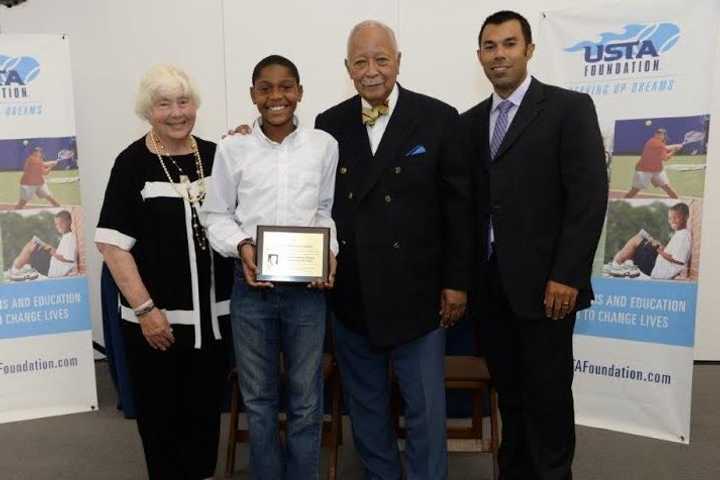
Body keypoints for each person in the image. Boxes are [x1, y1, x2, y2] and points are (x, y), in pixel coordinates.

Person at [314, 20, 472, 480]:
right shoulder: (329, 124)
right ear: (347, 67)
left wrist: (457, 283)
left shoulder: (439, 118)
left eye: (381, 59)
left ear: (399, 61)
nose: (371, 71)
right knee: (366, 407)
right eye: (360, 61)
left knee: (424, 408)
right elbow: (316, 201)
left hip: (420, 294)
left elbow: (460, 211)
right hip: (353, 293)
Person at [460, 11, 608, 480]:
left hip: (549, 290)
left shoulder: (569, 108)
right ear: (479, 55)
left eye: (508, 44)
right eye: (489, 46)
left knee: (547, 398)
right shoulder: (469, 123)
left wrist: (567, 274)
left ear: (528, 50)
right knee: (512, 396)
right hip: (492, 289)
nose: (498, 54)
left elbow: (588, 199)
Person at [200, 55, 339, 480]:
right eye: (265, 88)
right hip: (252, 291)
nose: (276, 97)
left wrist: (329, 251)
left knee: (305, 400)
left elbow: (324, 212)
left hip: (306, 293)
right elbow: (215, 214)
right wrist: (241, 244)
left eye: (285, 87)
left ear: (299, 92)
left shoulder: (323, 146)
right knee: (259, 401)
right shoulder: (232, 148)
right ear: (252, 95)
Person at [94, 64, 233, 480]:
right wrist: (145, 309)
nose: (176, 112)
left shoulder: (214, 155)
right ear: (148, 111)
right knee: (161, 418)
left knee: (206, 412)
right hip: (155, 323)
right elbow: (112, 244)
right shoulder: (132, 163)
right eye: (164, 104)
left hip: (213, 321)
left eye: (184, 101)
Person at [610, 202, 691, 280]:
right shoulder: (681, 234)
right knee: (640, 242)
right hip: (659, 265)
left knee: (636, 239)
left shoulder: (684, 236)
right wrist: (662, 248)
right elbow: (673, 256)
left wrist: (657, 249)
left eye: (676, 218)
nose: (672, 221)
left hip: (657, 269)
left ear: (686, 217)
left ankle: (615, 266)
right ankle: (619, 266)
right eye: (670, 218)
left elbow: (679, 261)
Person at [9, 209, 76, 281]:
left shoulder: (70, 237)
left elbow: (69, 260)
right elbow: (63, 256)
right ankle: (20, 270)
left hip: (52, 269)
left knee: (30, 246)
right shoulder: (66, 236)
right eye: (56, 224)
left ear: (69, 221)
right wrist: (48, 248)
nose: (58, 226)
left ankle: (15, 271)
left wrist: (51, 250)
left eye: (61, 223)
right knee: (32, 249)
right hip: (53, 266)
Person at [625, 128, 681, 199]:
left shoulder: (656, 143)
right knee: (634, 191)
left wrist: (675, 146)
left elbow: (664, 148)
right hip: (643, 170)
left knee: (667, 187)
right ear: (655, 134)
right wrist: (674, 151)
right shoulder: (655, 142)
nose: (658, 135)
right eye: (657, 133)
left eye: (661, 134)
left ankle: (678, 203)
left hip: (657, 170)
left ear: (664, 136)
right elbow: (665, 158)